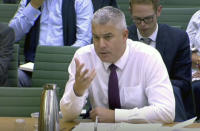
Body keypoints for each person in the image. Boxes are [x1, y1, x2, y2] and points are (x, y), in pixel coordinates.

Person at [60, 6, 175, 123]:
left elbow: (166, 111)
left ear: (125, 35)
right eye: (96, 37)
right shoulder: (83, 57)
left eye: (107, 37)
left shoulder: (148, 57)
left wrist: (115, 116)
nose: (101, 45)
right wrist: (77, 91)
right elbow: (67, 116)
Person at [128, 0, 192, 122]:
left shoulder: (178, 38)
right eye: (137, 19)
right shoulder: (122, 37)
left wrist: (152, 87)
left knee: (174, 91)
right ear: (130, 13)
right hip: (129, 103)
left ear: (159, 11)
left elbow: (183, 83)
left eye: (148, 19)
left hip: (165, 100)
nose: (143, 24)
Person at [9, 0, 93, 86]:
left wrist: (61, 60)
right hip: (33, 69)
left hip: (66, 70)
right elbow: (11, 35)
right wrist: (33, 6)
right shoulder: (28, 1)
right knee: (14, 77)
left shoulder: (81, 1)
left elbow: (84, 40)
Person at [186, 10, 200, 122]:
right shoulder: (198, 16)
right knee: (194, 88)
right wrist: (193, 53)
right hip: (196, 71)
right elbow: (187, 44)